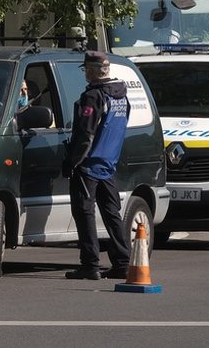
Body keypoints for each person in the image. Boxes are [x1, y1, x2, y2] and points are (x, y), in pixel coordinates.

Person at [61, 51, 132, 280]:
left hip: (89, 164)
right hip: (108, 164)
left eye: (85, 69)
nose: (85, 73)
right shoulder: (120, 95)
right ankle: (123, 262)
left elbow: (86, 134)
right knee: (112, 214)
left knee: (84, 213)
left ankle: (90, 265)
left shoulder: (93, 96)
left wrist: (73, 162)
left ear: (92, 70)